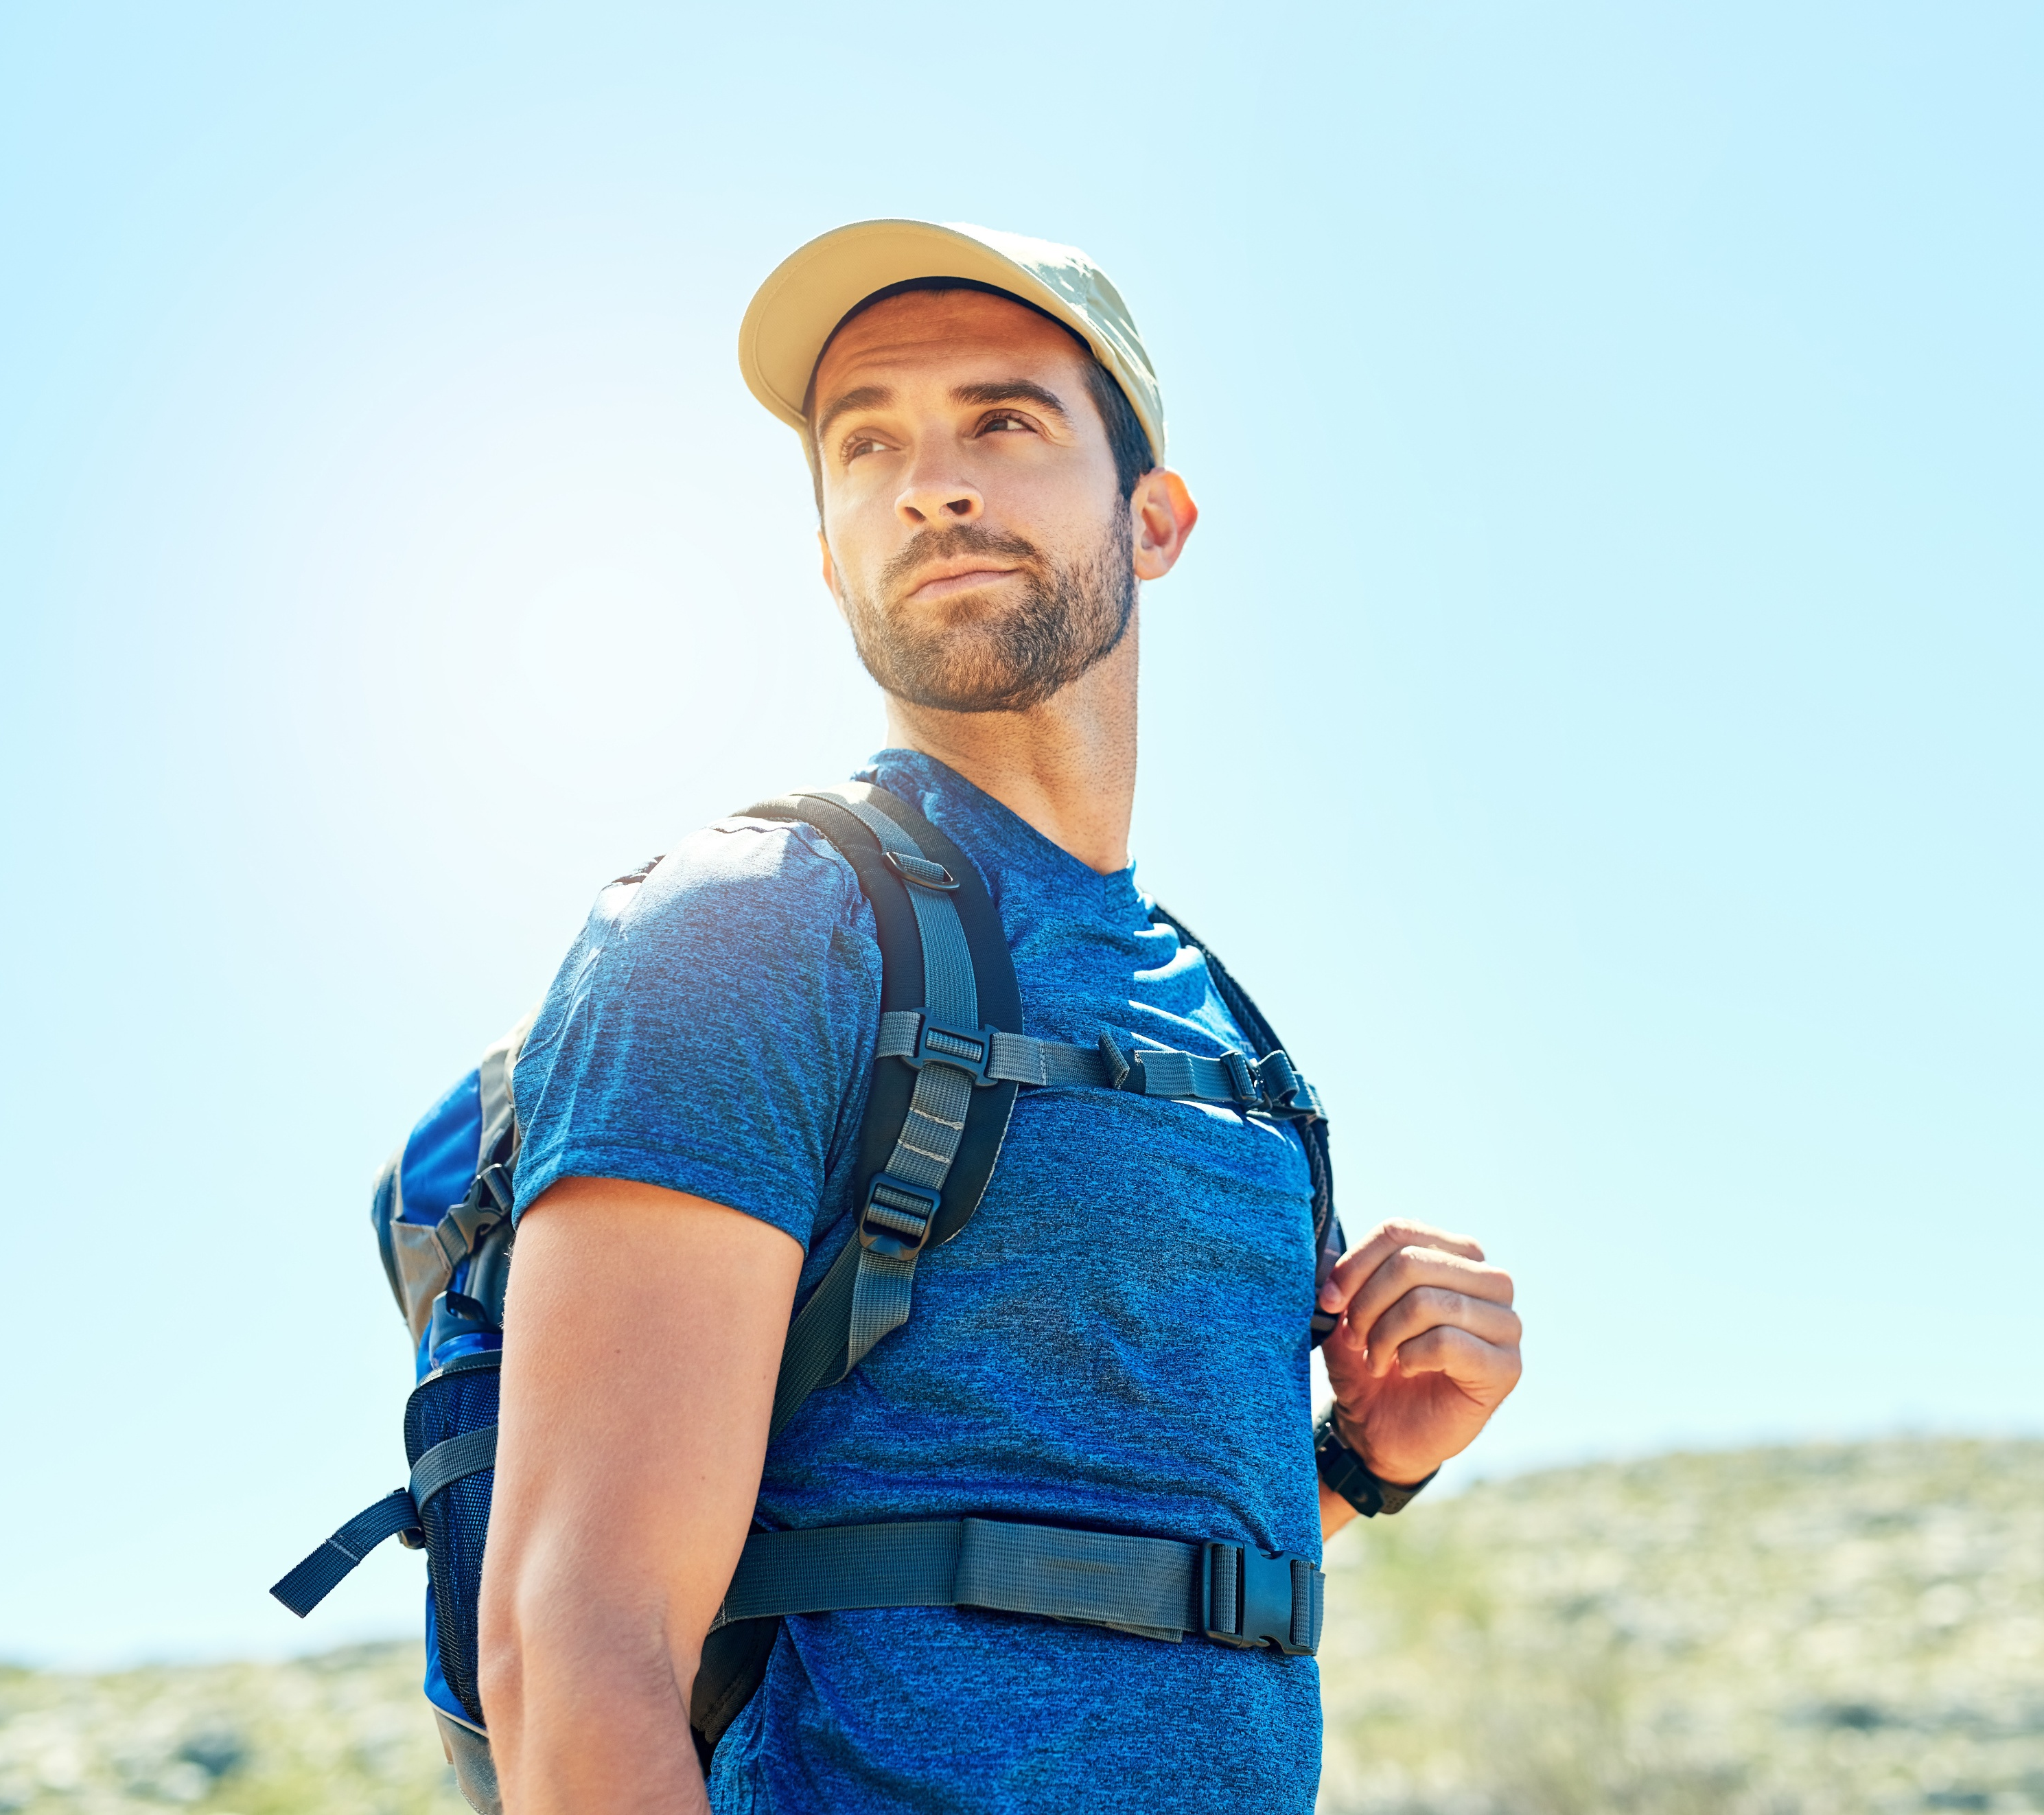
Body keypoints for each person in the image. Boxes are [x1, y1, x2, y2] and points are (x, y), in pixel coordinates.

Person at [472, 220, 1524, 1814]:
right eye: (866, 443)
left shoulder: (1228, 1034)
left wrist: (1364, 1463)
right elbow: (572, 1644)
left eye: (1002, 420)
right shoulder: (746, 929)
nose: (929, 484)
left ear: (1153, 519)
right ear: (829, 555)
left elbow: (1064, 1557)